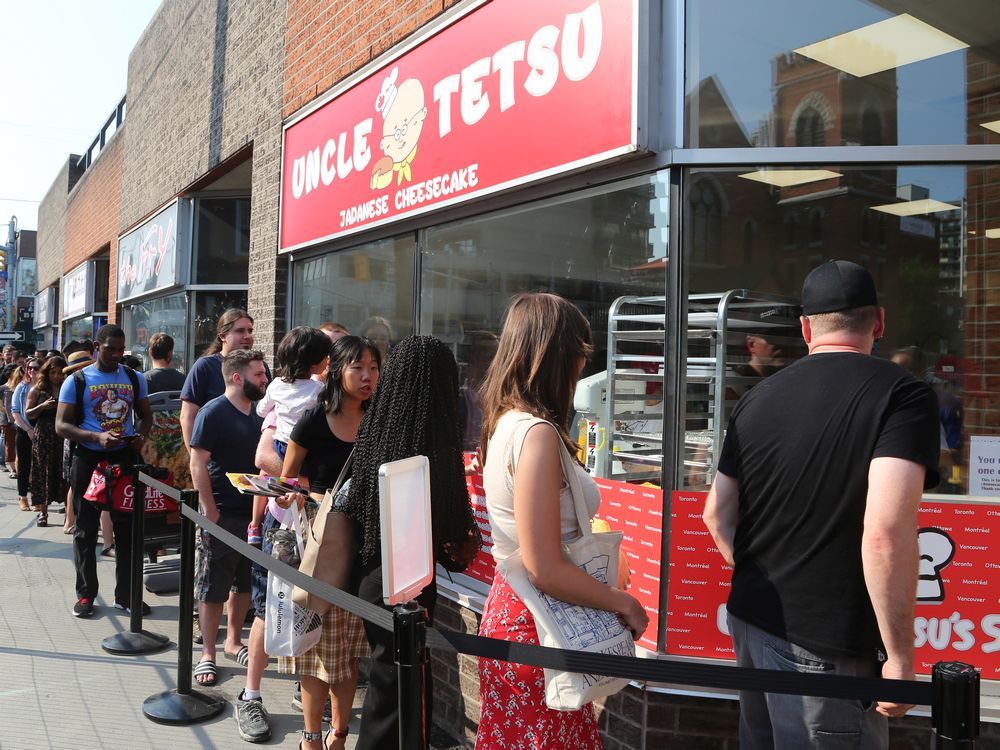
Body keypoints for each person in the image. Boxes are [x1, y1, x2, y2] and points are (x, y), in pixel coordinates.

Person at [702, 260, 941, 749]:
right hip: (827, 647)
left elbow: (716, 514)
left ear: (806, 328)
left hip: (751, 625)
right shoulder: (903, 395)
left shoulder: (756, 396)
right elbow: (885, 534)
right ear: (878, 321)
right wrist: (900, 657)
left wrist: (769, 578)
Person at [474, 293, 647, 749]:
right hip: (538, 622)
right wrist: (622, 602)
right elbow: (545, 566)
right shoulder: (537, 434)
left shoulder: (505, 422)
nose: (583, 367)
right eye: (582, 353)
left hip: (519, 614)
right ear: (559, 355)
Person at [340, 335, 479, 750]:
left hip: (371, 576)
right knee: (403, 691)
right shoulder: (431, 450)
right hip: (408, 589)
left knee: (388, 687)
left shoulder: (379, 428)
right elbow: (457, 542)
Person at [276, 336, 380, 750]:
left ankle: (339, 733)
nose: (368, 375)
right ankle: (311, 737)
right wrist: (294, 494)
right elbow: (288, 479)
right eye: (359, 367)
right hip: (322, 547)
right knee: (315, 647)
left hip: (365, 547)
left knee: (348, 650)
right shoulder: (313, 421)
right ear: (337, 370)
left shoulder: (379, 420)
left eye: (373, 366)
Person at [56, 325, 152, 618]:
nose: (116, 354)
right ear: (97, 347)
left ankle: (126, 595)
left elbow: (146, 415)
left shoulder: (134, 378)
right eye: (110, 348)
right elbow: (62, 425)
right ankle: (86, 595)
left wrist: (139, 436)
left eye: (121, 349)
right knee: (85, 529)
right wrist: (95, 437)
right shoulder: (77, 380)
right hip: (88, 458)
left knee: (127, 529)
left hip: (123, 456)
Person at [188, 349, 267, 689]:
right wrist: (209, 510)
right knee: (212, 585)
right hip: (221, 513)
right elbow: (197, 462)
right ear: (238, 378)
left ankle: (234, 641)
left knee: (245, 582)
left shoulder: (260, 414)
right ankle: (208, 653)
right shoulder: (213, 411)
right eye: (259, 374)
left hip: (251, 514)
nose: (264, 379)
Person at [180, 308, 260, 448]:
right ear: (222, 336)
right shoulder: (205, 366)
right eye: (240, 331)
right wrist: (196, 459)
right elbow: (187, 417)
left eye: (250, 331)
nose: (247, 336)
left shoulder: (259, 367)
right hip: (215, 456)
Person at [25, 357, 68, 527]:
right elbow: (28, 413)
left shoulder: (68, 388)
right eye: (53, 373)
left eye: (60, 373)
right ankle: (43, 512)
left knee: (64, 474)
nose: (57, 376)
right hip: (44, 435)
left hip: (63, 435)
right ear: (47, 372)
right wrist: (43, 406)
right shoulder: (38, 390)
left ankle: (68, 513)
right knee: (43, 473)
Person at [11, 359, 40, 513]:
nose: (32, 371)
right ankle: (23, 497)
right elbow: (15, 411)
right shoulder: (21, 388)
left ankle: (37, 498)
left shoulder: (44, 387)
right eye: (29, 368)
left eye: (36, 368)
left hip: (42, 431)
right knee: (24, 466)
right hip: (24, 431)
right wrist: (28, 429)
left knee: (39, 466)